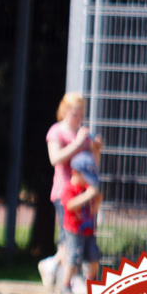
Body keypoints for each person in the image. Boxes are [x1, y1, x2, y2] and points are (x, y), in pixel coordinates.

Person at [45, 92, 100, 271]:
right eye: (75, 114)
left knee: (74, 238)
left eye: (81, 114)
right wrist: (77, 143)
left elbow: (92, 166)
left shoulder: (83, 135)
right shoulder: (56, 131)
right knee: (68, 237)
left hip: (82, 194)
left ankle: (53, 270)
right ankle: (56, 271)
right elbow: (55, 159)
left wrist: (96, 150)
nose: (79, 118)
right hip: (64, 193)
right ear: (65, 111)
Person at [57, 150, 101, 294]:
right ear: (75, 172)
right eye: (86, 177)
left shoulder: (87, 188)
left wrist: (98, 199)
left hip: (88, 230)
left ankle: (91, 283)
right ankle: (66, 285)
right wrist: (87, 195)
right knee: (74, 259)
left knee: (94, 257)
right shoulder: (69, 188)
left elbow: (93, 210)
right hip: (74, 231)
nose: (88, 181)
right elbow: (70, 205)